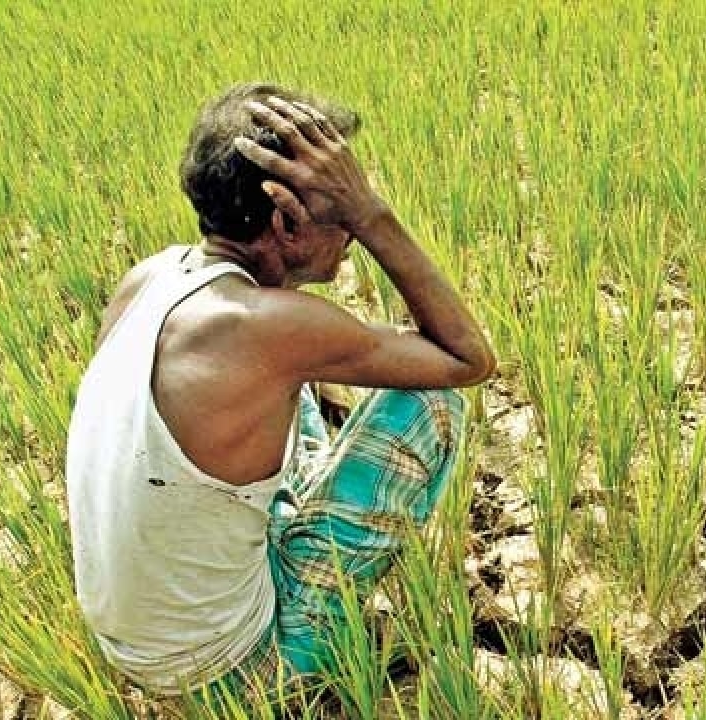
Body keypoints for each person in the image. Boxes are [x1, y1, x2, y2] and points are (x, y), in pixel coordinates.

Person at [64, 82, 496, 706]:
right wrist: (373, 215)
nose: (349, 228)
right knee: (431, 404)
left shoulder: (151, 279)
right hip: (234, 674)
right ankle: (317, 639)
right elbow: (467, 359)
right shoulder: (267, 328)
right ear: (287, 220)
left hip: (136, 648)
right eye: (340, 206)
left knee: (304, 405)